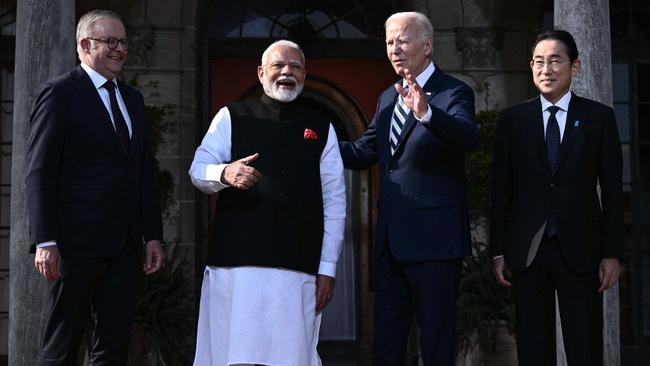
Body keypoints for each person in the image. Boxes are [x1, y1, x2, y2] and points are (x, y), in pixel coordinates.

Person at [188, 39, 346, 366]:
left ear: (305, 74)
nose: (287, 71)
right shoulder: (231, 116)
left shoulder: (322, 126)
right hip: (236, 269)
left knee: (293, 359)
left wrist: (327, 270)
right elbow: (197, 170)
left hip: (297, 270)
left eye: (296, 66)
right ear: (261, 72)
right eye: (278, 65)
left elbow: (334, 202)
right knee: (234, 358)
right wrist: (225, 172)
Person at [25, 9, 164, 365]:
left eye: (123, 42)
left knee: (114, 345)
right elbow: (39, 172)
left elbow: (142, 171)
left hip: (124, 246)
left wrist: (152, 235)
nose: (120, 49)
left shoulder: (132, 99)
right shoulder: (59, 94)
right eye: (110, 42)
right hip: (75, 244)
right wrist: (45, 241)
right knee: (63, 344)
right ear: (85, 45)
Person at [339, 11, 478, 365]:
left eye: (402, 40)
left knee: (435, 342)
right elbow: (363, 151)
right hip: (390, 244)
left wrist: (426, 113)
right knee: (386, 345)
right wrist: (316, 143)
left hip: (435, 243)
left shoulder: (454, 92)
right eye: (388, 42)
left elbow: (467, 138)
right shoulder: (388, 97)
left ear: (427, 45)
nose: (394, 49)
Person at [490, 29, 623, 366]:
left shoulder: (599, 118)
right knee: (533, 350)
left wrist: (612, 253)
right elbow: (501, 189)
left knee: (585, 349)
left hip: (580, 249)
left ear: (574, 66)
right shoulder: (513, 120)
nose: (545, 69)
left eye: (554, 61)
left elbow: (611, 191)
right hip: (527, 252)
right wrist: (498, 250)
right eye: (538, 62)